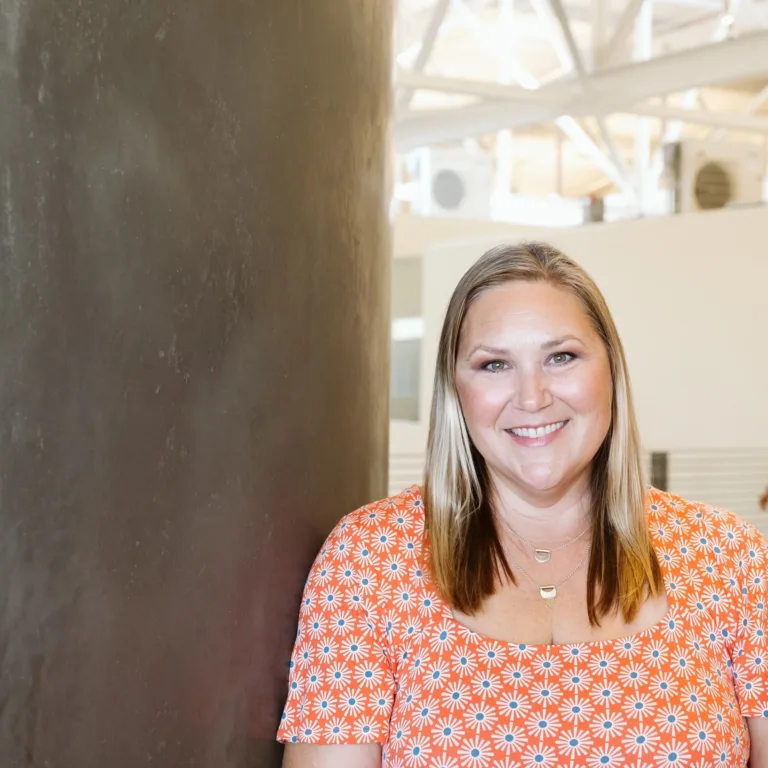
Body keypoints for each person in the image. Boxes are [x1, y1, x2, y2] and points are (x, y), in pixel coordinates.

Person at [277, 242, 768, 767]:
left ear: (610, 371)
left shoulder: (731, 559)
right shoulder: (369, 559)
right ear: (455, 391)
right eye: (494, 365)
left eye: (561, 357)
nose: (532, 397)